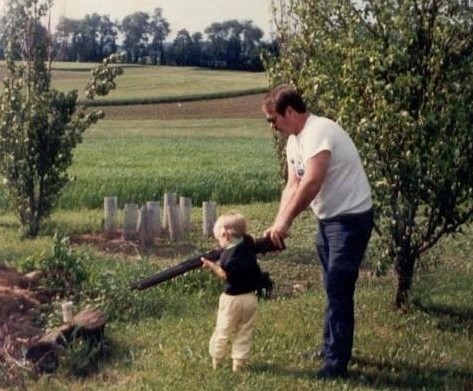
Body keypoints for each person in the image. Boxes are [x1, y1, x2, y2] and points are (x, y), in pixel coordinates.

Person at [262, 84, 374, 379]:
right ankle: (329, 348)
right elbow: (293, 185)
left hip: (350, 220)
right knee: (331, 286)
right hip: (328, 220)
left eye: (273, 120)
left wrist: (286, 222)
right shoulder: (294, 142)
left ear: (289, 111)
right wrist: (278, 222)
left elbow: (312, 182)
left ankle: (337, 363)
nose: (273, 127)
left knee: (338, 287)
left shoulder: (318, 131)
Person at [201, 212, 263, 373]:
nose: (219, 243)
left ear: (225, 234)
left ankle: (216, 359)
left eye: (219, 237)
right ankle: (239, 363)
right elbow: (249, 237)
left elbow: (225, 275)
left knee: (223, 329)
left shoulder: (229, 255)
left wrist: (212, 266)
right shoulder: (248, 244)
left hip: (232, 300)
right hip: (250, 298)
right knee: (245, 331)